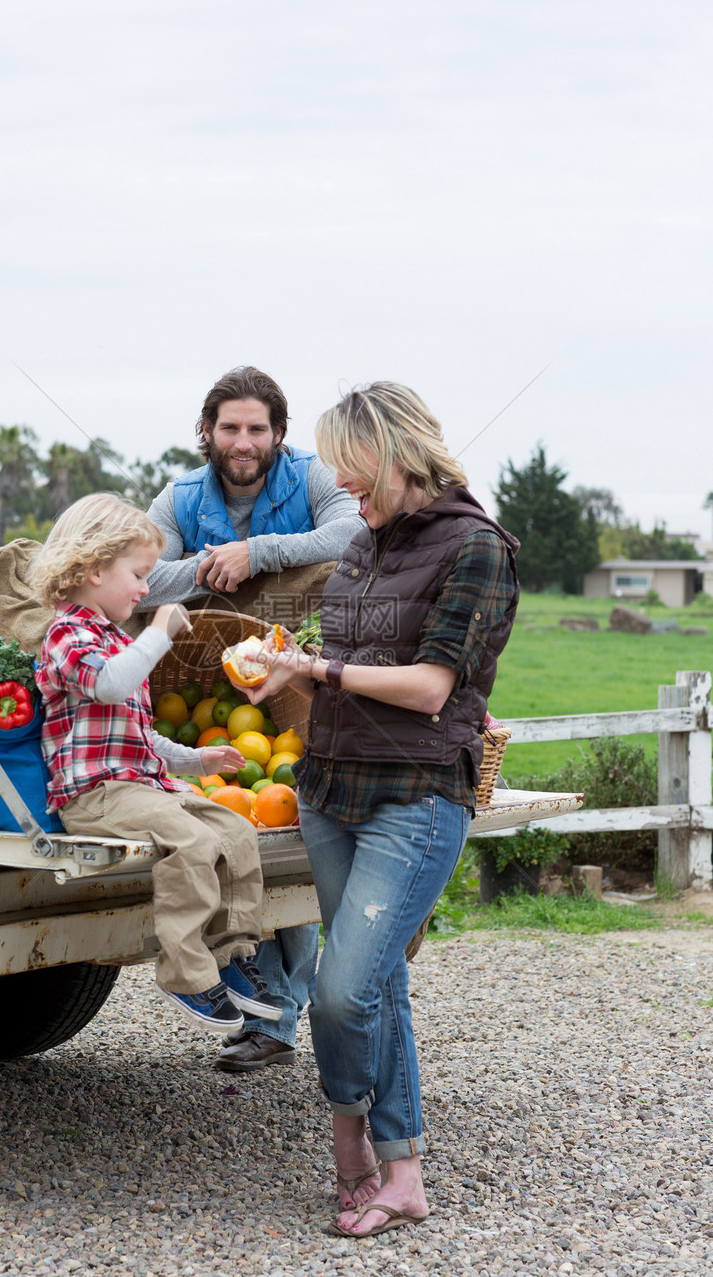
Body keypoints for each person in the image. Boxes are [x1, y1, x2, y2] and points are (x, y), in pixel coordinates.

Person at [240, 382, 520, 1238]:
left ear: (398, 455)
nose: (348, 495)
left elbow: (432, 686)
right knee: (379, 983)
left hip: (418, 796)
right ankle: (391, 1170)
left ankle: (350, 1137)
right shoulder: (365, 544)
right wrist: (298, 665)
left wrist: (322, 674)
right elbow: (355, 653)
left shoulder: (479, 549)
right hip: (329, 789)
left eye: (358, 477)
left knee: (339, 993)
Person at [141, 365, 361, 1072]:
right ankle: (276, 1015)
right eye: (229, 427)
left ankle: (285, 1016)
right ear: (206, 431)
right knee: (247, 829)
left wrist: (257, 553)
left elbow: (352, 536)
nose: (243, 441)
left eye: (256, 429)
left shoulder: (314, 477)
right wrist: (214, 566)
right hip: (205, 684)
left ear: (278, 435)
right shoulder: (178, 497)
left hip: (298, 679)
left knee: (292, 832)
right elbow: (136, 576)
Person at [31, 492, 284, 1036]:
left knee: (236, 832)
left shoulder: (116, 639)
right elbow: (109, 683)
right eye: (140, 574)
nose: (148, 588)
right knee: (192, 845)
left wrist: (197, 758)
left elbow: (141, 736)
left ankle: (230, 956)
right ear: (95, 568)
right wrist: (158, 632)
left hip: (144, 786)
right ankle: (186, 976)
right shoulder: (65, 636)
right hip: (96, 796)